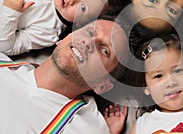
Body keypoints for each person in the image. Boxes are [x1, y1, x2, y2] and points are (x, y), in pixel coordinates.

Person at [0, 18, 130, 134]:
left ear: (102, 86)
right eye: (90, 32)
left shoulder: (82, 128)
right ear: (63, 39)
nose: (89, 42)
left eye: (104, 50)